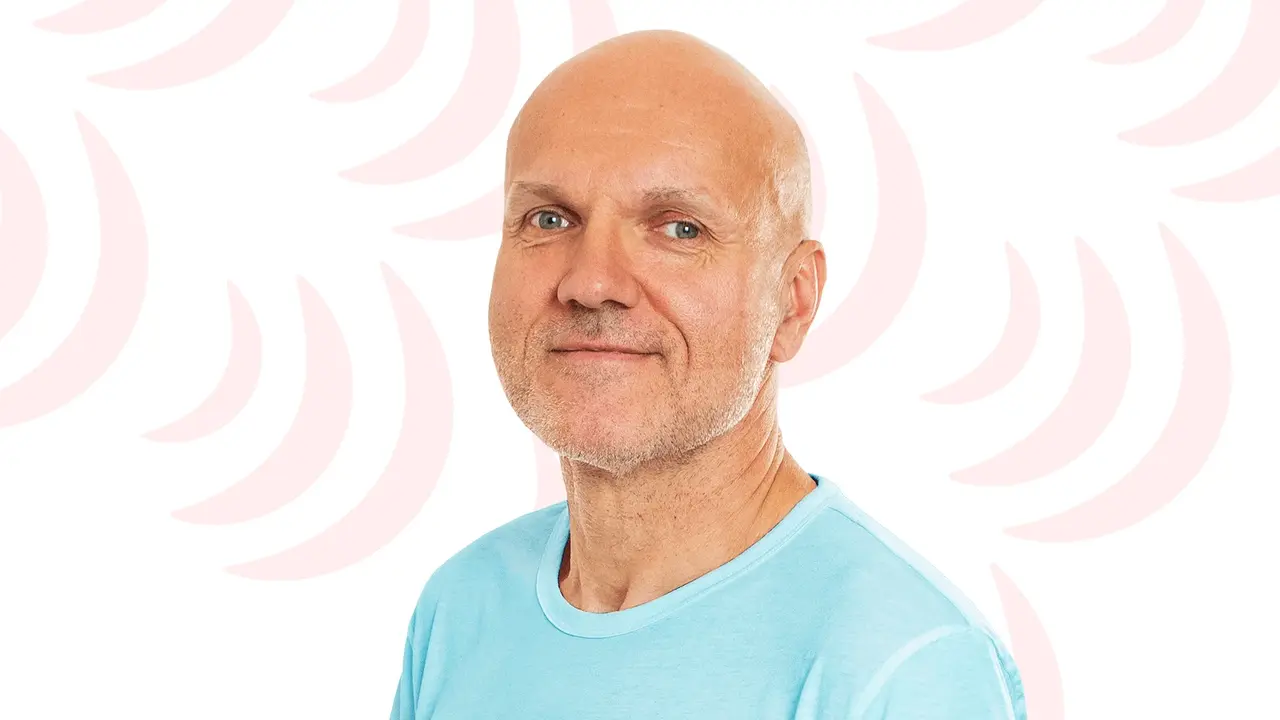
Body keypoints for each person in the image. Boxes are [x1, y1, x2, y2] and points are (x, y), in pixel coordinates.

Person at [390, 28, 1026, 719]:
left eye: (679, 229)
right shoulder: (462, 608)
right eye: (550, 219)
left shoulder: (901, 664)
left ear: (793, 301)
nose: (592, 282)